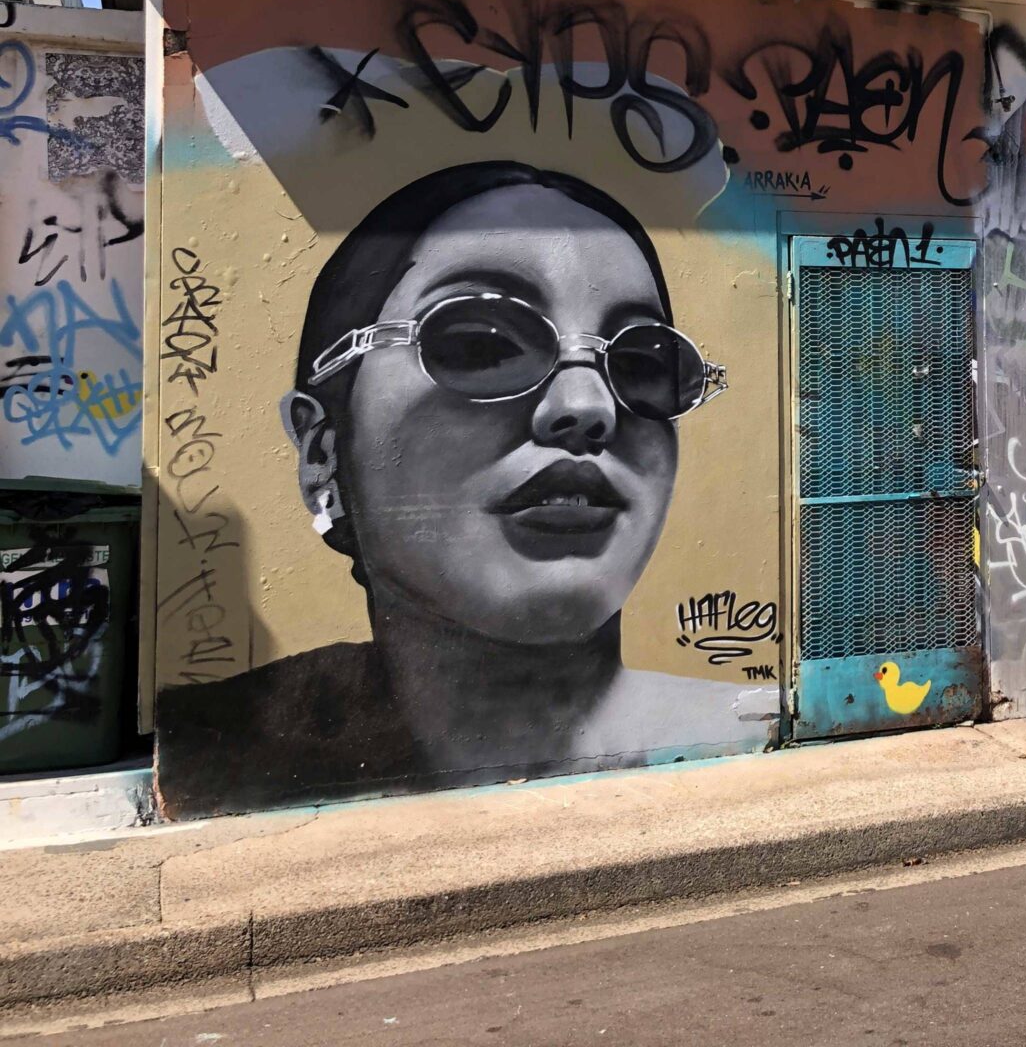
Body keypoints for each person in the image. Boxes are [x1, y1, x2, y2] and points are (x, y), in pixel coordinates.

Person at [158, 161, 766, 815]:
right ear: (321, 451)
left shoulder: (752, 726)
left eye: (644, 364)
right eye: (481, 345)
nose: (589, 406)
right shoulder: (219, 739)